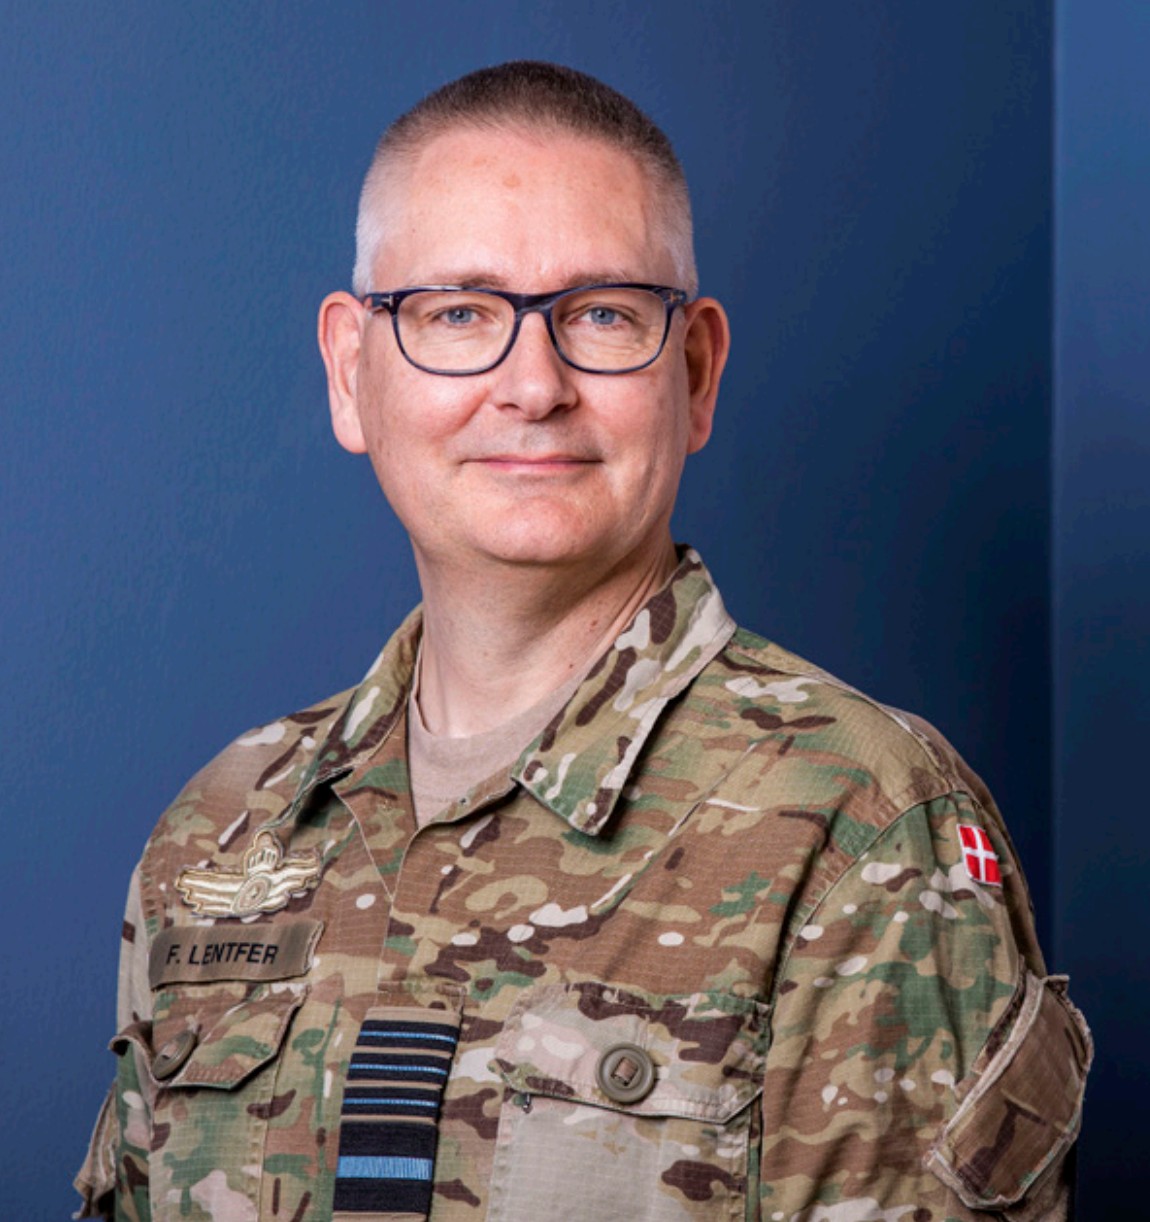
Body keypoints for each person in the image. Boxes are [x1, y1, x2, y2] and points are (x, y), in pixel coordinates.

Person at [77, 61, 1090, 1221]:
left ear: (694, 373)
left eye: (602, 314)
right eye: (458, 312)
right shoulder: (219, 830)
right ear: (351, 373)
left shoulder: (859, 830)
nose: (532, 385)